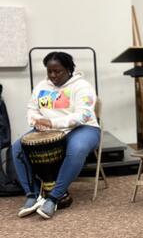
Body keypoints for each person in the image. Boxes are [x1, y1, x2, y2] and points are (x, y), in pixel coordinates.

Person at [12, 51, 100, 219]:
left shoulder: (82, 86)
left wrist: (53, 123)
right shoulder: (42, 86)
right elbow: (31, 109)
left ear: (69, 69)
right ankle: (33, 195)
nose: (53, 75)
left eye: (57, 71)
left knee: (77, 148)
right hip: (48, 130)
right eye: (49, 71)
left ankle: (53, 198)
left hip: (83, 128)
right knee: (17, 148)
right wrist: (36, 121)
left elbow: (83, 116)